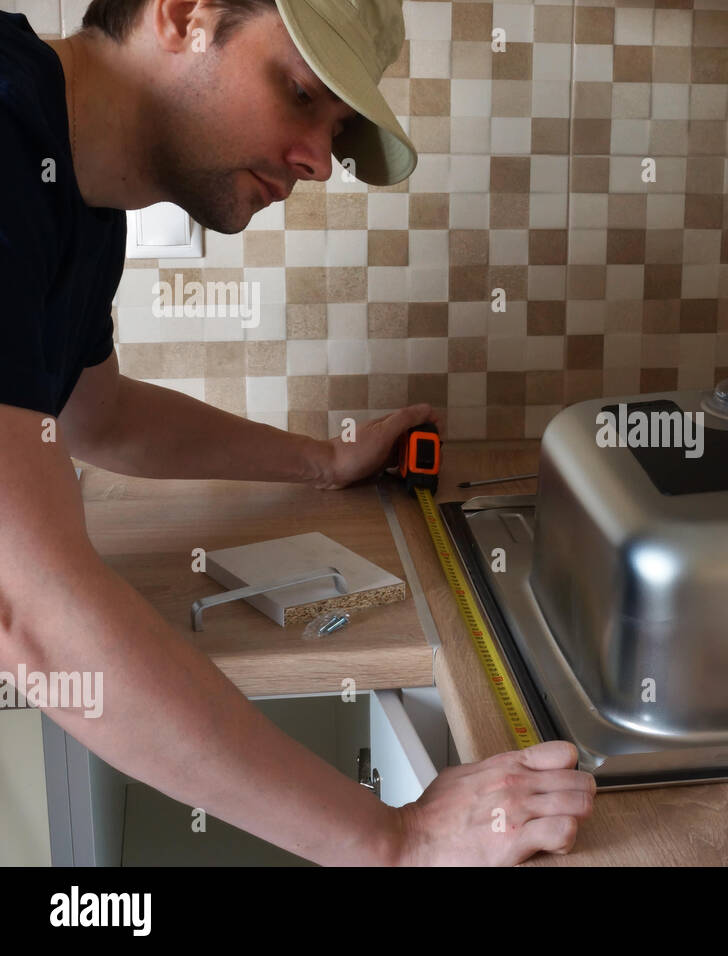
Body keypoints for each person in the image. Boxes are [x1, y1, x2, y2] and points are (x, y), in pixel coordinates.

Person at [0, 0, 594, 866]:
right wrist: (394, 839)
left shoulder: (77, 198)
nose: (318, 160)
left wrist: (324, 463)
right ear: (184, 16)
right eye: (302, 93)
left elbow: (100, 415)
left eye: (338, 127)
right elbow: (24, 605)